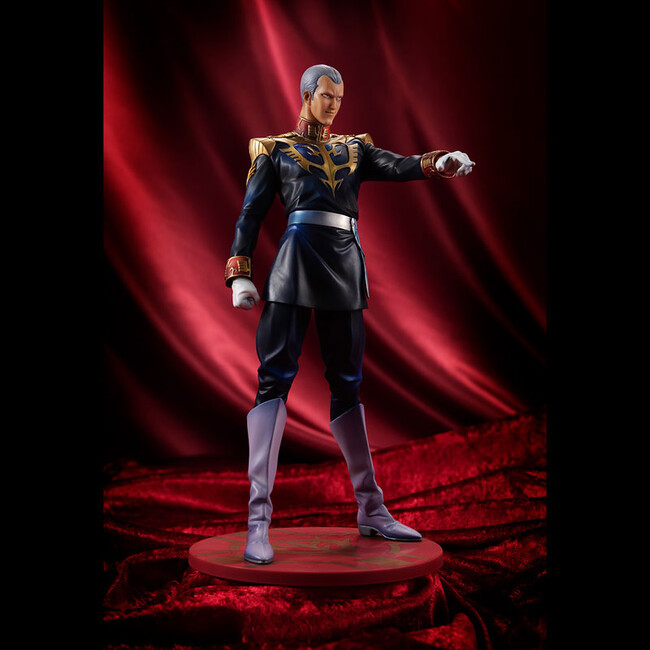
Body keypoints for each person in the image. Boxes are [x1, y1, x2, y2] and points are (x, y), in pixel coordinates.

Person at [225, 64, 475, 564]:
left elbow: (399, 165)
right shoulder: (274, 149)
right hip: (295, 264)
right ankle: (257, 521)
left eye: (339, 97)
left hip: (343, 264)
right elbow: (250, 213)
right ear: (306, 95)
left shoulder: (354, 149)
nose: (334, 104)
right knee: (274, 379)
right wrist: (240, 273)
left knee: (347, 381)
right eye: (326, 95)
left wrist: (439, 162)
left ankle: (371, 508)